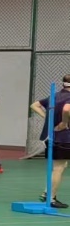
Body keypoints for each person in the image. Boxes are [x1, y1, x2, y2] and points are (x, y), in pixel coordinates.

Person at [30, 75, 70, 209]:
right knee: (59, 168)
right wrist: (64, 123)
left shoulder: (54, 96)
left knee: (60, 166)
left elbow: (34, 105)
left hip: (50, 136)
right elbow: (67, 109)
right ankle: (51, 198)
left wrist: (48, 118)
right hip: (63, 137)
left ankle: (47, 193)